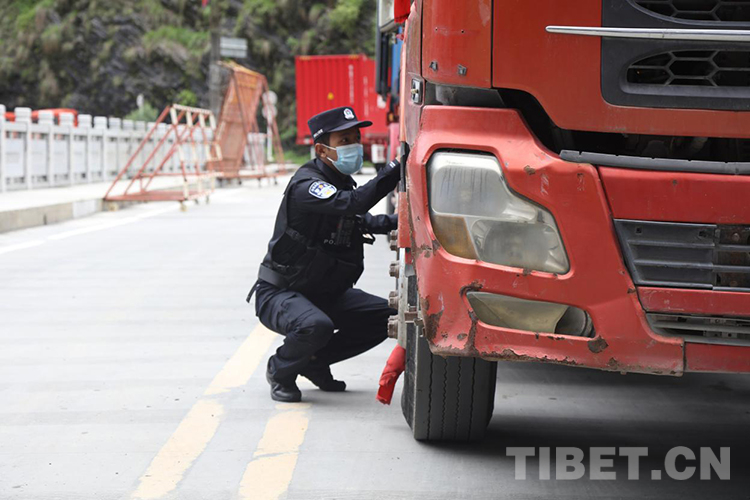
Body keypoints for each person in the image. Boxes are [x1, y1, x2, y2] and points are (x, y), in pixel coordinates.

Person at [248, 106, 401, 402]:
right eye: (344, 141)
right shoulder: (308, 186)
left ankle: (315, 362)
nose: (354, 146)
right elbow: (353, 204)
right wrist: (394, 169)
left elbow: (367, 221)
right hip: (281, 292)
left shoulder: (339, 183)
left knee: (388, 317)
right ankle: (280, 369)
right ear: (321, 150)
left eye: (355, 138)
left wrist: (407, 222)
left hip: (322, 292)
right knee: (315, 326)